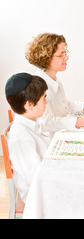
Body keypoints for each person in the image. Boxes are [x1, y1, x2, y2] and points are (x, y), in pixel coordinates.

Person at [25, 33, 84, 137]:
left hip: (61, 135)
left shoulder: (53, 79)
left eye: (65, 53)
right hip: (50, 141)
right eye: (61, 55)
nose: (66, 57)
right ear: (46, 58)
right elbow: (47, 123)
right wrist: (81, 121)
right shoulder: (38, 86)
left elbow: (64, 105)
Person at [5, 73, 50, 203]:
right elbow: (36, 179)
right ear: (29, 104)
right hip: (41, 197)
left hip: (48, 179)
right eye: (44, 99)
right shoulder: (21, 137)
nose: (46, 102)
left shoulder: (31, 124)